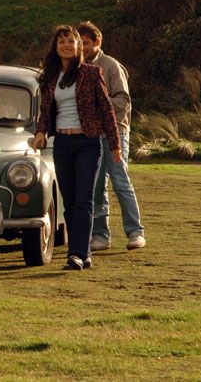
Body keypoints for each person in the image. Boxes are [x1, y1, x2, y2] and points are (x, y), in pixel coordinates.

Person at [32, 25, 121, 271]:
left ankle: (77, 254)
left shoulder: (92, 74)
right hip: (61, 143)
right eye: (61, 42)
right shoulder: (49, 77)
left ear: (78, 46)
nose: (66, 46)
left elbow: (106, 110)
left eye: (71, 41)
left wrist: (115, 145)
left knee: (84, 199)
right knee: (69, 201)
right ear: (55, 47)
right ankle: (83, 251)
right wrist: (41, 132)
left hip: (88, 143)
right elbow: (45, 111)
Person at [78, 21, 146, 251]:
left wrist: (97, 104)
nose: (83, 48)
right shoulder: (77, 67)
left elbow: (123, 101)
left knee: (119, 179)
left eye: (86, 43)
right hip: (91, 132)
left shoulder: (111, 66)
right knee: (96, 184)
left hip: (116, 130)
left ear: (97, 42)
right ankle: (101, 235)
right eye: (80, 43)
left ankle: (135, 231)